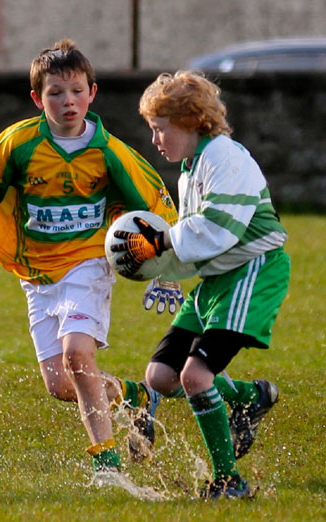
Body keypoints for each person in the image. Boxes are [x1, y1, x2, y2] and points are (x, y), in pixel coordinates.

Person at [0, 39, 179, 496]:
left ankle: (107, 465)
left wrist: (164, 273)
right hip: (36, 277)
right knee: (63, 385)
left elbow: (159, 213)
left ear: (93, 93)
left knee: (77, 356)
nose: (68, 102)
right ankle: (139, 395)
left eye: (77, 91)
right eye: (56, 93)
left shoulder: (109, 153)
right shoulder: (17, 145)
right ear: (36, 99)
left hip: (88, 265)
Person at [111, 70, 290, 499]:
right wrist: (153, 266)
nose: (155, 140)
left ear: (190, 122)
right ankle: (250, 396)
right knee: (161, 377)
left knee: (194, 375)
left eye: (159, 129)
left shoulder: (225, 157)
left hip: (253, 270)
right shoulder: (191, 168)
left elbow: (218, 228)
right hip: (218, 277)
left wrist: (160, 242)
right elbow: (194, 240)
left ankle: (228, 482)